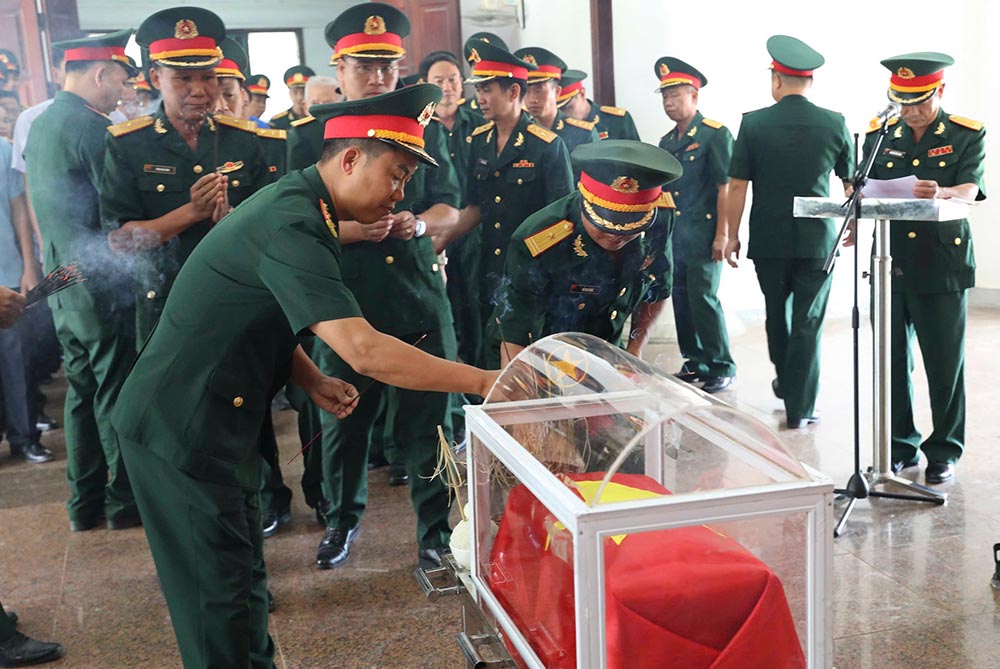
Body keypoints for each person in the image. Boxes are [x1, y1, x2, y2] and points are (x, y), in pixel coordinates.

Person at [112, 82, 497, 669]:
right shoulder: (294, 220)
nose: (401, 194)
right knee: (216, 598)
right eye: (395, 176)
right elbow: (364, 350)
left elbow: (262, 309)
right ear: (349, 160)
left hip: (222, 416)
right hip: (181, 426)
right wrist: (481, 381)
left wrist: (312, 377)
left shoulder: (305, 208)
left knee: (242, 582)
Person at [312, 1, 462, 571]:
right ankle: (341, 523)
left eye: (387, 67)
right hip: (343, 300)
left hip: (416, 297)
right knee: (344, 424)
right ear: (339, 67)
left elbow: (451, 205)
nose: (378, 78)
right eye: (363, 67)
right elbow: (291, 222)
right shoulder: (310, 133)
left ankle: (434, 533)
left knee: (428, 423)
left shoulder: (425, 131)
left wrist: (418, 222)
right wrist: (351, 229)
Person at [24, 29, 141, 529]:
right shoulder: (94, 129)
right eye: (121, 79)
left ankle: (83, 503)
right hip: (96, 280)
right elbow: (121, 212)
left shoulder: (44, 123)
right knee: (115, 385)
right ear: (100, 73)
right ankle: (122, 503)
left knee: (82, 389)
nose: (123, 91)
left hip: (61, 277)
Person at [100, 7, 269, 342]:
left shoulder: (245, 141)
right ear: (154, 78)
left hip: (237, 298)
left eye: (208, 77)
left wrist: (235, 222)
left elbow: (274, 227)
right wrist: (192, 212)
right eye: (183, 78)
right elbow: (119, 242)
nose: (199, 90)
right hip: (165, 305)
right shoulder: (129, 145)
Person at [857, 53, 985, 484]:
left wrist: (944, 190)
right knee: (891, 362)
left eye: (919, 101)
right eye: (902, 101)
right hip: (890, 261)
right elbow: (862, 185)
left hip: (941, 263)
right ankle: (899, 444)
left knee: (944, 363)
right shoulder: (880, 133)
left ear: (940, 92)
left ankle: (944, 449)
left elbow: (971, 187)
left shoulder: (966, 132)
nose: (910, 111)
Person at [725, 35, 853, 429]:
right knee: (808, 322)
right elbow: (853, 186)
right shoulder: (835, 123)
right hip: (818, 242)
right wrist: (850, 227)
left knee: (776, 316)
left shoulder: (754, 123)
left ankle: (787, 380)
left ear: (776, 80)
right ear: (810, 82)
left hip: (770, 240)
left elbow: (738, 185)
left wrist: (731, 234)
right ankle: (801, 405)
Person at [487, 140, 681, 366]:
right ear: (584, 205)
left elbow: (658, 288)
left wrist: (634, 351)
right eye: (604, 226)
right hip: (534, 352)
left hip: (605, 350)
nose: (616, 236)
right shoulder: (538, 241)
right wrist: (518, 390)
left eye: (630, 229)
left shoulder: (658, 220)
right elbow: (515, 330)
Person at [442, 39, 574, 366]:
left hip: (531, 271)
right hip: (488, 268)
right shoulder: (479, 141)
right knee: (489, 349)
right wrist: (439, 242)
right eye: (478, 90)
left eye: (487, 90)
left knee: (528, 359)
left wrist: (535, 262)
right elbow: (475, 207)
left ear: (513, 92)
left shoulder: (546, 146)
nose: (480, 98)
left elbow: (563, 221)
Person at [655, 57, 737, 393]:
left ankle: (721, 365)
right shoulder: (666, 142)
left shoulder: (714, 135)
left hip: (705, 234)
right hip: (676, 236)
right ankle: (694, 361)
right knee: (681, 298)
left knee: (704, 298)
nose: (669, 102)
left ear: (694, 96)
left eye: (675, 94)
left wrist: (723, 234)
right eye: (664, 96)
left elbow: (725, 187)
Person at [1, 125, 52, 464]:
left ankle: (25, 437)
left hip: (7, 268)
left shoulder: (3, 149)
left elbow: (19, 208)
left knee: (17, 361)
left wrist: (29, 264)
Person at [514, 47, 600, 156]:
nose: (532, 99)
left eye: (538, 91)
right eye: (526, 91)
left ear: (557, 92)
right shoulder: (519, 135)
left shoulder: (583, 134)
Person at [558, 68, 641, 141]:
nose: (563, 113)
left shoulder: (617, 120)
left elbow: (636, 155)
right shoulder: (557, 126)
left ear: (582, 94)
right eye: (559, 108)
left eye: (566, 107)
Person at [268, 65, 314, 130]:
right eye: (295, 92)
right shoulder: (278, 122)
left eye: (303, 92)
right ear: (290, 93)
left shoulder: (318, 118)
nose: (300, 97)